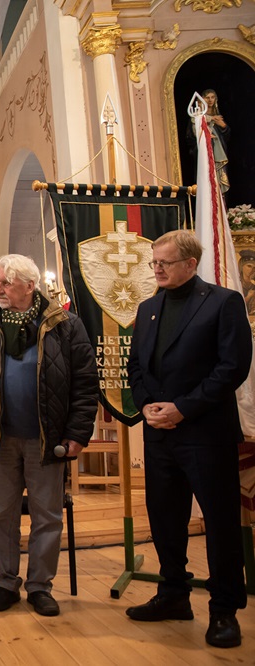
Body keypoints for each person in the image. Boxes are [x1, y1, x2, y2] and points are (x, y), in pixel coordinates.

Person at [126, 230, 251, 649]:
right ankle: (174, 594)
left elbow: (232, 368)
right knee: (164, 518)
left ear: (191, 264)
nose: (156, 269)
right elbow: (135, 368)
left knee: (219, 524)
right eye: (154, 263)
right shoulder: (147, 309)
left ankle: (224, 610)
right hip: (159, 434)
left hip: (205, 432)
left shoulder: (222, 302)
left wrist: (183, 407)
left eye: (165, 262)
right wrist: (146, 406)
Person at [0, 254, 96, 617]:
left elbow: (84, 383)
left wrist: (78, 432)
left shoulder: (66, 324)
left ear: (29, 286)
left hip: (47, 439)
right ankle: (5, 583)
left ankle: (39, 586)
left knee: (47, 515)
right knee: (1, 514)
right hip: (0, 439)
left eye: (5, 283)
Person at [201, 89, 230, 192]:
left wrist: (224, 127)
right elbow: (191, 135)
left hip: (219, 151)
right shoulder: (199, 116)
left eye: (212, 97)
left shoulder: (217, 114)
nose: (210, 100)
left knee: (220, 177)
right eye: (207, 97)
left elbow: (226, 135)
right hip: (206, 151)